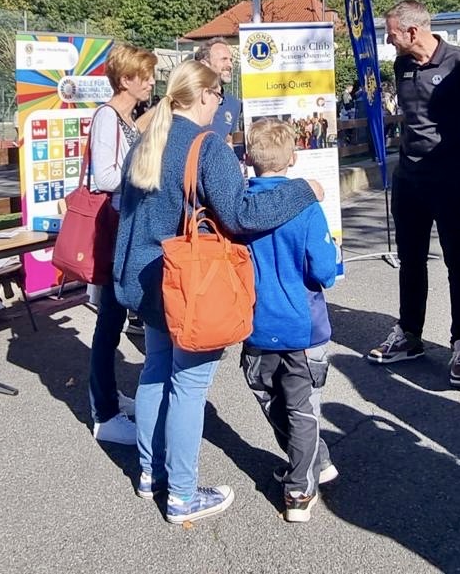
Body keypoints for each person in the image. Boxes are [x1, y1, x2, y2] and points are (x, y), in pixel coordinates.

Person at [114, 60, 324, 524]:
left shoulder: (145, 141)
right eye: (219, 95)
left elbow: (119, 206)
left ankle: (151, 474)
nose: (221, 104)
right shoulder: (207, 148)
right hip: (189, 284)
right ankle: (183, 495)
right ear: (206, 96)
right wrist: (303, 191)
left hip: (145, 278)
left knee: (154, 372)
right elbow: (241, 214)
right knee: (188, 386)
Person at [367, 0, 460, 387]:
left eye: (391, 33)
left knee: (459, 261)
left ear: (412, 31)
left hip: (452, 178)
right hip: (409, 178)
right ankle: (409, 335)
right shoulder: (402, 64)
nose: (388, 41)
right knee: (411, 260)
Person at [239, 119, 339, 523]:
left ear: (247, 159)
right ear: (293, 157)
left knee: (269, 397)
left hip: (256, 324)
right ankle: (301, 485)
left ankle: (310, 464)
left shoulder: (240, 208)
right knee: (302, 406)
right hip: (304, 324)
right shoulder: (306, 208)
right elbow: (325, 270)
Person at [87, 44, 157, 446]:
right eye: (143, 76)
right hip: (113, 226)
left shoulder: (124, 118)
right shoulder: (106, 118)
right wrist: (143, 172)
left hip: (123, 223)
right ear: (125, 80)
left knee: (112, 320)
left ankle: (108, 399)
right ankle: (104, 414)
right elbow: (105, 176)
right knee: (108, 320)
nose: (149, 82)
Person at [194, 38, 240, 142]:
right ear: (204, 64)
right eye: (224, 59)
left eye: (231, 60)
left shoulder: (234, 104)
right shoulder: (188, 99)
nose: (230, 65)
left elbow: (228, 139)